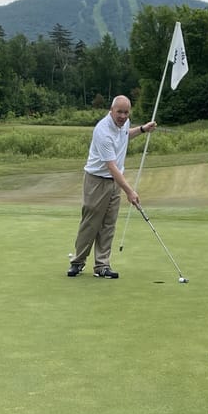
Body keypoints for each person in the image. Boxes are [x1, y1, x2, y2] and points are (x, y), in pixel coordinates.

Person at [67, 96, 157, 279]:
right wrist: (130, 191)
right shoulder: (102, 130)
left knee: (109, 224)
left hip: (114, 181)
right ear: (111, 110)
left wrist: (141, 129)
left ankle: (102, 265)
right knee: (91, 222)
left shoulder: (124, 123)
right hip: (97, 180)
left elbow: (125, 135)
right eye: (120, 112)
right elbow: (111, 166)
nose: (123, 116)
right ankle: (77, 262)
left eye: (126, 112)